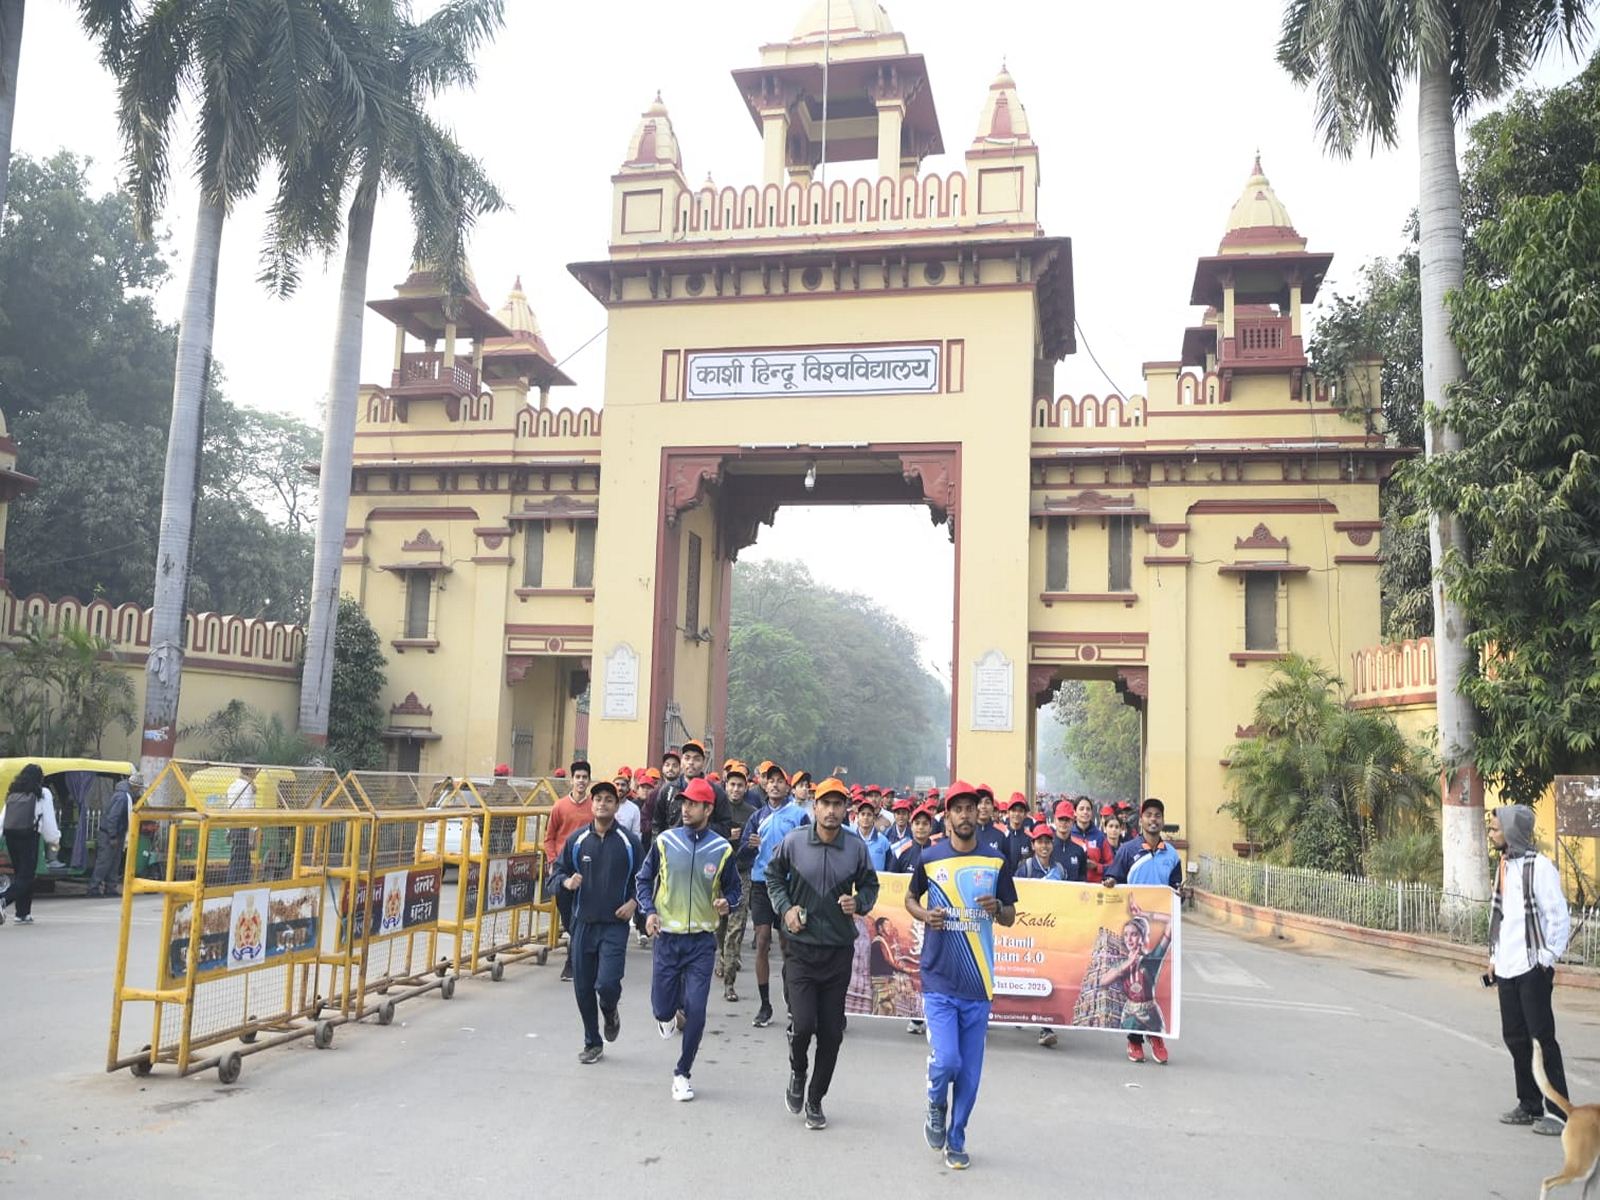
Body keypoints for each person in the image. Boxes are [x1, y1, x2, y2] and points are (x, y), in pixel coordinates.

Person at [905, 782, 1018, 1170]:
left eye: (972, 808)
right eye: (958, 809)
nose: (966, 815)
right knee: (947, 1061)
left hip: (978, 984)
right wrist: (925, 916)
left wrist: (998, 906)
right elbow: (910, 898)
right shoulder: (930, 857)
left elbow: (1010, 916)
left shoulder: (995, 859)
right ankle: (936, 1103)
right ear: (948, 816)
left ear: (979, 813)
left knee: (969, 1074)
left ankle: (957, 1138)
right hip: (938, 979)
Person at [766, 777, 879, 1130]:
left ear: (846, 809)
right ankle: (798, 1073)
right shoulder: (794, 842)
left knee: (831, 1033)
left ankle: (815, 1099)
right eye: (825, 804)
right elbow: (773, 877)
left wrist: (858, 902)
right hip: (800, 950)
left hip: (838, 952)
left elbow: (871, 885)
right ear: (814, 807)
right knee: (803, 1026)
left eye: (838, 804)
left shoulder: (856, 848)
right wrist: (785, 909)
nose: (832, 811)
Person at [634, 777, 740, 1101]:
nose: (686, 807)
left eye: (693, 803)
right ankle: (666, 1015)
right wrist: (649, 911)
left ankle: (683, 1072)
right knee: (662, 1009)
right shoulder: (665, 842)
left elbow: (734, 889)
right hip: (667, 938)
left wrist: (728, 902)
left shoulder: (721, 849)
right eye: (684, 802)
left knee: (697, 1009)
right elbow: (643, 878)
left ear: (708, 808)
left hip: (701, 943)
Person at [1489, 805, 1572, 1135]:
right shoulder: (1505, 866)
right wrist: (1494, 957)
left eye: (1496, 829)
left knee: (1541, 1040)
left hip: (1532, 967)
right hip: (1507, 966)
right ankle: (1529, 1104)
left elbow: (1558, 916)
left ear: (1510, 832)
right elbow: (1503, 917)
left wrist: (1548, 957)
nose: (1492, 833)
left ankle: (1558, 1111)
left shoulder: (1540, 868)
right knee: (1515, 1038)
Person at [547, 780, 641, 1064]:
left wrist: (634, 903)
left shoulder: (629, 842)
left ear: (616, 806)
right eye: (597, 798)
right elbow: (554, 876)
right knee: (583, 986)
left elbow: (646, 880)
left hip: (614, 924)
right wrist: (566, 881)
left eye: (608, 799)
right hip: (583, 925)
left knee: (607, 984)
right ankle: (592, 1042)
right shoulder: (576, 841)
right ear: (592, 803)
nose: (602, 803)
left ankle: (610, 1011)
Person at [1103, 796, 1182, 1064]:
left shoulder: (1171, 854)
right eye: (1148, 814)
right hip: (1134, 928)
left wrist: (1181, 893)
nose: (1153, 819)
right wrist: (1111, 881)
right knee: (1133, 984)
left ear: (1162, 820)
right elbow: (1112, 878)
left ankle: (1156, 1035)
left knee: (1159, 980)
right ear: (1141, 820)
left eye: (1158, 815)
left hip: (1158, 926)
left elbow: (1176, 889)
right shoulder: (1127, 850)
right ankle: (1134, 1040)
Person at [748, 762, 809, 1027]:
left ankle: (791, 996)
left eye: (779, 781)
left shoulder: (798, 815)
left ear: (787, 787)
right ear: (763, 784)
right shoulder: (757, 816)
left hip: (788, 885)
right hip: (761, 884)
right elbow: (741, 851)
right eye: (769, 780)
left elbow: (810, 848)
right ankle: (764, 1005)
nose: (774, 784)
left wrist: (788, 854)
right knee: (762, 940)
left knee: (787, 945)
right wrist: (747, 846)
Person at [1016, 820, 1082, 1048]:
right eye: (1039, 842)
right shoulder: (1024, 868)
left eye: (1047, 842)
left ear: (1052, 845)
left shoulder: (1060, 870)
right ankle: (1015, 1014)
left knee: (1048, 979)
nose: (1044, 846)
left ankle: (1046, 1028)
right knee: (1025, 977)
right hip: (1028, 932)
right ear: (1033, 845)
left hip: (1050, 934)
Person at [543, 760, 595, 982]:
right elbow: (549, 838)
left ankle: (572, 965)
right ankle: (579, 951)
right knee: (569, 918)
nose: (581, 781)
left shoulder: (594, 806)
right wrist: (553, 861)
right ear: (572, 780)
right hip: (563, 871)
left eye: (585, 777)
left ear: (589, 780)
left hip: (586, 869)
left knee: (578, 918)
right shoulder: (560, 807)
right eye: (578, 777)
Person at [716, 761, 759, 1001]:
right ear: (726, 786)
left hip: (741, 874)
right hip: (715, 874)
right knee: (718, 926)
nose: (735, 789)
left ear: (746, 788)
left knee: (735, 927)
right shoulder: (715, 809)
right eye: (731, 784)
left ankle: (729, 984)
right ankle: (721, 954)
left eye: (740, 785)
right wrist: (725, 834)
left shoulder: (752, 813)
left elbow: (755, 846)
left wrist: (749, 844)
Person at [2, 764, 60, 925]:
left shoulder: (14, 792)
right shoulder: (42, 793)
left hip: (11, 837)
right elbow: (49, 820)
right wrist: (54, 839)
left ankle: (22, 913)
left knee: (21, 874)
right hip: (29, 837)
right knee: (27, 877)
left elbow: (3, 817)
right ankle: (3, 900)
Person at [87, 772, 142, 897]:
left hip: (115, 833)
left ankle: (109, 888)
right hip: (110, 834)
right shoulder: (123, 798)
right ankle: (94, 888)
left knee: (113, 862)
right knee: (105, 862)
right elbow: (113, 817)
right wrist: (112, 836)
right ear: (135, 787)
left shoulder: (123, 795)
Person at [225, 765, 261, 885]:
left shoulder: (233, 786)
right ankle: (236, 887)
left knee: (238, 858)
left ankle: (234, 886)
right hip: (242, 826)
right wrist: (255, 830)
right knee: (241, 861)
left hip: (234, 825)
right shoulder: (246, 787)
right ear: (251, 772)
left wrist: (228, 830)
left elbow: (230, 808)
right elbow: (247, 809)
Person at [1068, 796, 1112, 883]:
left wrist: (1096, 867)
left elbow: (1112, 867)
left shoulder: (1100, 837)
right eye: (1081, 809)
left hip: (1095, 888)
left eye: (1088, 809)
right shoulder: (1069, 835)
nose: (1085, 812)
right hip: (1072, 887)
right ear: (1074, 813)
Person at [849, 794, 894, 871]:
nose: (865, 817)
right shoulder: (850, 840)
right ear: (857, 817)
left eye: (869, 814)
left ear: (873, 818)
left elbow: (890, 868)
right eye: (863, 814)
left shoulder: (883, 841)